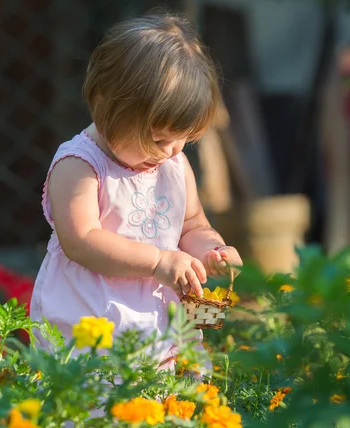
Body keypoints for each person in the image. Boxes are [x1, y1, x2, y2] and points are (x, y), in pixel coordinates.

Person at [30, 13, 243, 372]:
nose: (173, 151)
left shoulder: (173, 164)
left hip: (158, 315)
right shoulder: (80, 165)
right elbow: (80, 240)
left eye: (184, 140)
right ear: (107, 108)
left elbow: (191, 224)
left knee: (165, 397)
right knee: (93, 401)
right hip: (92, 316)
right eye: (159, 140)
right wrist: (158, 261)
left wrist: (211, 250)